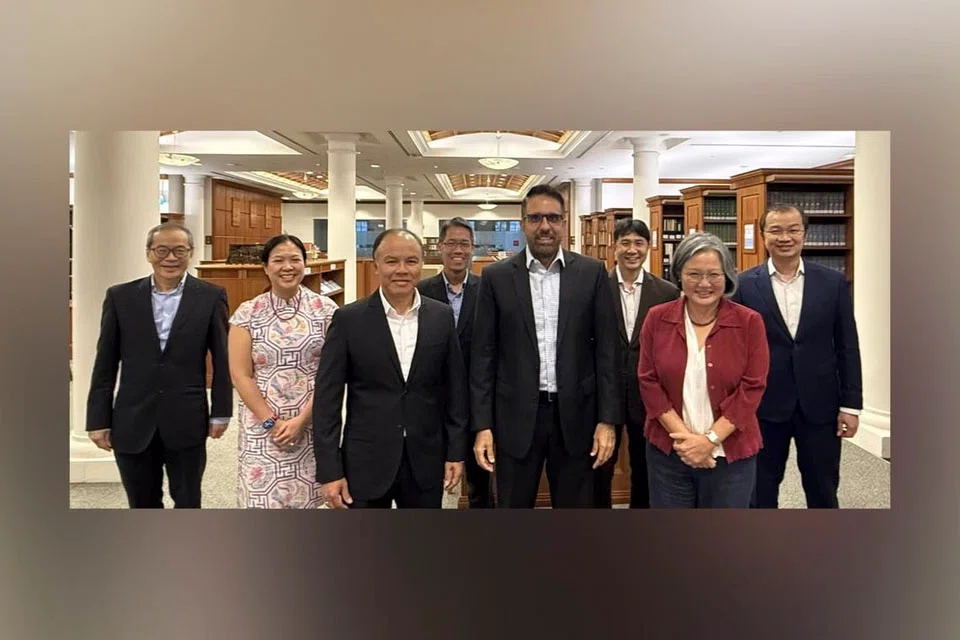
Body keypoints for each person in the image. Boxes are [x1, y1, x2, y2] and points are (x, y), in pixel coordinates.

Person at [471, 184, 621, 509]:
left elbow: (607, 353)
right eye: (536, 218)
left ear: (564, 223)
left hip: (577, 421)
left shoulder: (591, 273)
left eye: (553, 218)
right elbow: (483, 357)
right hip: (514, 421)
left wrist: (607, 420)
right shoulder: (496, 277)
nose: (544, 226)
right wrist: (482, 426)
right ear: (523, 223)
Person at [312, 229, 468, 509]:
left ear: (422, 265)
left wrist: (455, 452)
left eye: (411, 261)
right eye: (391, 261)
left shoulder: (441, 317)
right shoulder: (349, 320)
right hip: (366, 460)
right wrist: (330, 470)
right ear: (375, 267)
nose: (402, 270)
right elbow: (327, 400)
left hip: (426, 459)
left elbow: (455, 390)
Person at [85, 222, 232, 508]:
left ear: (190, 253)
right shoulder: (120, 297)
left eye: (179, 250)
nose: (171, 257)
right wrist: (98, 418)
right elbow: (104, 362)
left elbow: (222, 358)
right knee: (141, 502)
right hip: (132, 418)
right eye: (162, 250)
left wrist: (221, 412)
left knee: (188, 500)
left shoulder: (211, 296)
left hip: (187, 417)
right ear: (149, 253)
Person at [732, 204, 862, 509]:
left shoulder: (832, 283)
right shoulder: (743, 285)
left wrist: (851, 404)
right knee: (760, 490)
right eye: (775, 230)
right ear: (763, 236)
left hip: (821, 406)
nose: (785, 237)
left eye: (793, 230)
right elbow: (736, 352)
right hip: (763, 407)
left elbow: (847, 346)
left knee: (823, 488)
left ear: (804, 234)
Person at [638, 232, 769, 508]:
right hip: (670, 453)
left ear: (728, 277)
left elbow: (753, 387)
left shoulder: (749, 322)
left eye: (714, 274)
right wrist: (687, 443)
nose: (705, 283)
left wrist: (709, 441)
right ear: (679, 275)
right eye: (694, 274)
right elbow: (648, 381)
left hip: (731, 457)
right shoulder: (656, 318)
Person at [227, 234, 339, 508]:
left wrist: (302, 420)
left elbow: (332, 374)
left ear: (305, 265)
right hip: (263, 427)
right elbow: (241, 374)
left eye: (295, 260)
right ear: (265, 267)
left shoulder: (326, 310)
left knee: (308, 505)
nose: (287, 267)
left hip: (312, 422)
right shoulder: (247, 313)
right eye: (278, 260)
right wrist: (271, 422)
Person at [593, 218, 679, 509]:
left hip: (648, 396)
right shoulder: (595, 287)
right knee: (599, 466)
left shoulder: (666, 292)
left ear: (649, 247)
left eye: (639, 243)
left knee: (646, 470)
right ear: (614, 247)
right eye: (625, 243)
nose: (632, 250)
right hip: (604, 394)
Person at [417, 217, 494, 508]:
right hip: (435, 397)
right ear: (440, 246)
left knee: (481, 477)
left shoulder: (488, 288)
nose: (457, 250)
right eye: (451, 243)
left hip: (477, 396)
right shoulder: (422, 291)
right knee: (430, 475)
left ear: (473, 248)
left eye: (464, 244)